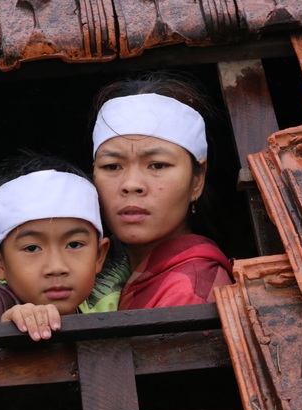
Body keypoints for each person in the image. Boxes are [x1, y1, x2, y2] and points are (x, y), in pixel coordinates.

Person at [91, 72, 235, 311]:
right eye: (112, 166)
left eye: (157, 165)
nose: (131, 184)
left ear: (197, 179)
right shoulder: (88, 269)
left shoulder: (189, 291)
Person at [0, 154, 110, 341]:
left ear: (99, 256)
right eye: (32, 248)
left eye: (74, 244)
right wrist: (1, 333)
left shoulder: (109, 299)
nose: (56, 267)